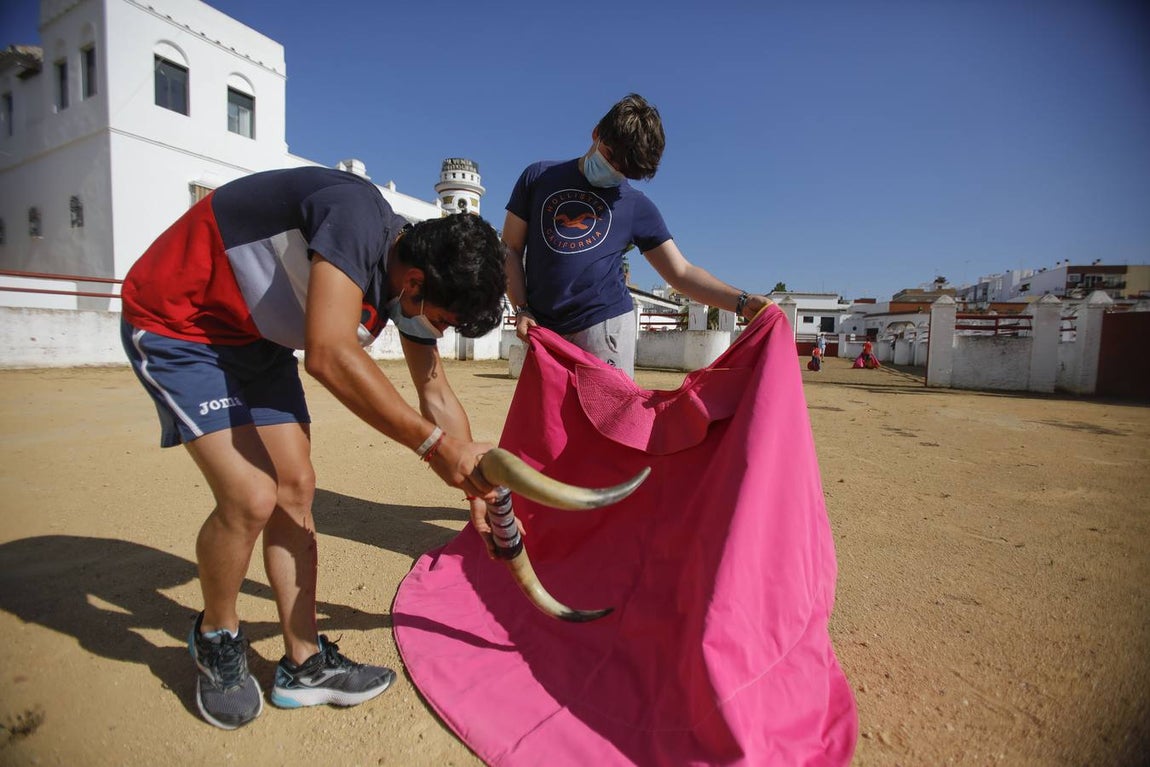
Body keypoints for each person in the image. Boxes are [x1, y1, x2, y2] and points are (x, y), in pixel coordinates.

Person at [120, 166, 506, 730]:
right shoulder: (356, 216)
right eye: (443, 321)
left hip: (258, 343)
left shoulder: (416, 285)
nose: (439, 334)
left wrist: (472, 479)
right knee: (252, 496)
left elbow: (434, 390)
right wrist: (433, 448)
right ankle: (216, 636)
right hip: (181, 325)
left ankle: (302, 663)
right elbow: (327, 353)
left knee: (296, 489)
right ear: (416, 283)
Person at [501, 93, 771, 377]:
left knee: (606, 421)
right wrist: (522, 308)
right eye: (610, 157)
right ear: (596, 134)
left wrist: (741, 302)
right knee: (548, 421)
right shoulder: (539, 177)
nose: (614, 171)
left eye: (624, 170)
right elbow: (510, 248)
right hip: (544, 330)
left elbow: (680, 272)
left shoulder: (636, 205)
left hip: (603, 330)